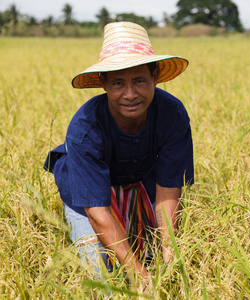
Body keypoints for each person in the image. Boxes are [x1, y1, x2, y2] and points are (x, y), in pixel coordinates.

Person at [43, 21, 194, 289]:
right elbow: (97, 211)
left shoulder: (172, 115)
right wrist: (141, 277)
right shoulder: (85, 128)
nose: (130, 94)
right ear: (103, 83)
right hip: (90, 196)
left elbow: (168, 191)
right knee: (103, 275)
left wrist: (170, 258)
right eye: (118, 83)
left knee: (155, 257)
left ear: (155, 76)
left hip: (138, 182)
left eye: (139, 81)